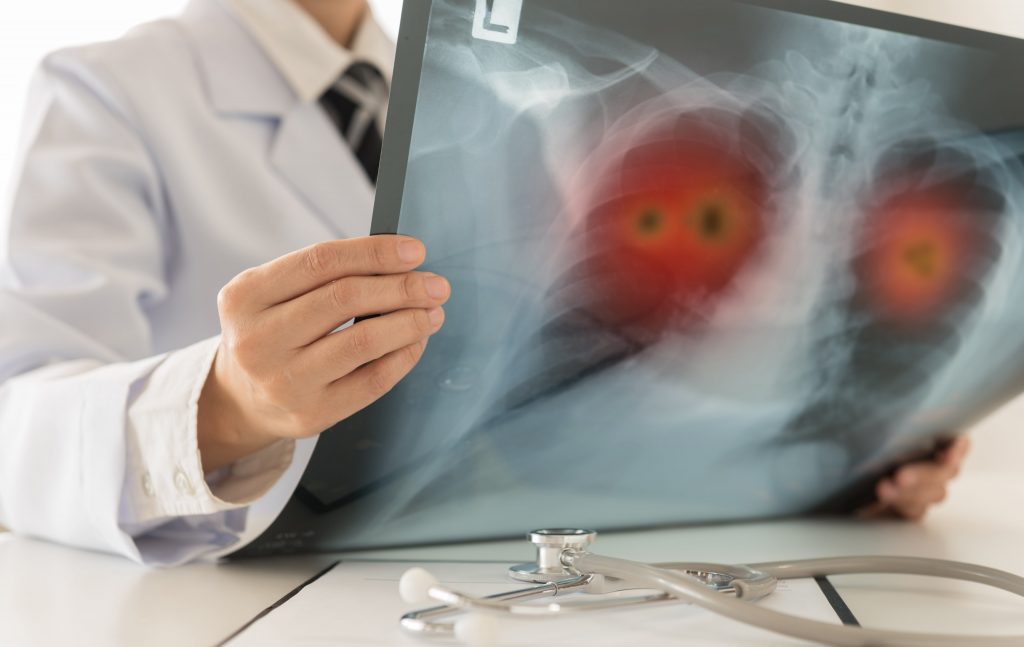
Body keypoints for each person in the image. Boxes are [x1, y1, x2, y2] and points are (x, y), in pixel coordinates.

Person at [0, 0, 969, 565]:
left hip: (470, 566)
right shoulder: (109, 87)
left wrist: (840, 458)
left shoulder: (481, 75)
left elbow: (533, 386)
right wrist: (221, 407)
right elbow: (14, 417)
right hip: (237, 590)